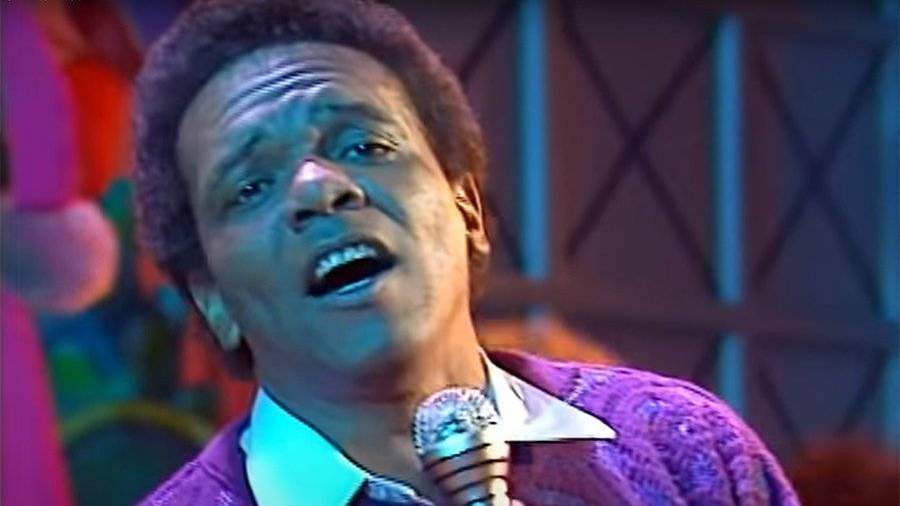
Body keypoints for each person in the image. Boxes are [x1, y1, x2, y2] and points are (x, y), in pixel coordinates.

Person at [135, 0, 799, 504]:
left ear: (468, 209)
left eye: (365, 146)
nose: (320, 188)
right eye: (251, 187)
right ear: (213, 301)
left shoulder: (684, 450)